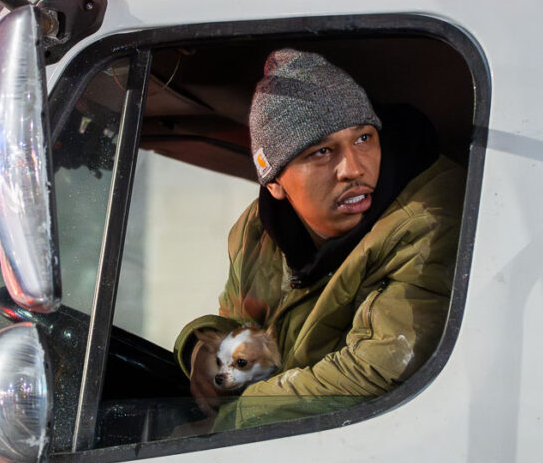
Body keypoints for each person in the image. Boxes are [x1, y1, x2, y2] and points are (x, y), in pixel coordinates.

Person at [174, 48, 465, 431]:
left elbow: (378, 369)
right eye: (322, 152)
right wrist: (202, 345)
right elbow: (242, 324)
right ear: (275, 182)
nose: (354, 168)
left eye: (364, 137)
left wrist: (230, 423)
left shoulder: (424, 223)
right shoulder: (257, 230)